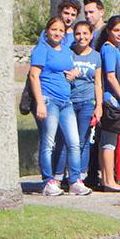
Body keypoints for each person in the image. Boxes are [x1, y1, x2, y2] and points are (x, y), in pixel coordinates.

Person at [29, 17, 92, 196]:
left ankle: (75, 181)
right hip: (49, 100)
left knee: (74, 142)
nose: (57, 33)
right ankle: (48, 181)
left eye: (61, 31)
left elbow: (66, 71)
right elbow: (34, 76)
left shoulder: (65, 50)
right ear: (47, 31)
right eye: (54, 30)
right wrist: (40, 102)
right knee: (49, 143)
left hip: (66, 101)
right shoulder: (42, 49)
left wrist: (73, 74)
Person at [55, 21, 103, 183]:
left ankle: (79, 177)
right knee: (64, 140)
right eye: (78, 34)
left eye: (85, 34)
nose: (82, 37)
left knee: (82, 140)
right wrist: (68, 76)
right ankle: (59, 176)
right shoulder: (68, 53)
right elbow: (58, 75)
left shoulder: (96, 56)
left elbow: (98, 83)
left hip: (87, 102)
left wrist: (99, 106)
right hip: (68, 102)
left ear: (91, 35)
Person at [96, 16, 120, 192]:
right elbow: (110, 76)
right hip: (111, 100)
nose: (119, 34)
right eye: (116, 30)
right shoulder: (109, 49)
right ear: (109, 31)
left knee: (107, 141)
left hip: (113, 99)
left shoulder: (116, 49)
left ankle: (106, 179)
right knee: (109, 142)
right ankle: (109, 180)